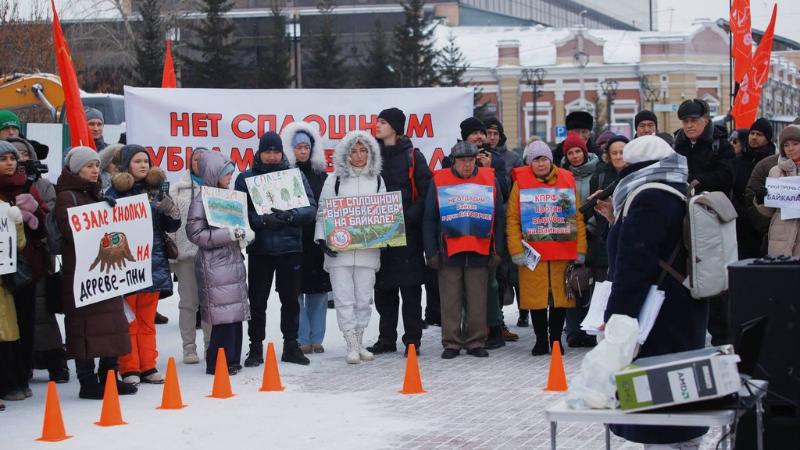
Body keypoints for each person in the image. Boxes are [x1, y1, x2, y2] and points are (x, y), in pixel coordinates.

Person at [604, 135, 709, 448]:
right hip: (683, 307)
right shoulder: (675, 187)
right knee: (682, 396)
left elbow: (635, 263)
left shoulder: (648, 195)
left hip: (656, 314)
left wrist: (617, 316)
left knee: (657, 405)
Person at [55, 146, 137, 399]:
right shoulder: (67, 197)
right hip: (82, 274)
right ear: (76, 169)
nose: (94, 170)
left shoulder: (94, 194)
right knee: (85, 328)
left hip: (105, 274)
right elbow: (71, 232)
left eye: (95, 165)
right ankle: (88, 382)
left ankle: (110, 375)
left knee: (113, 323)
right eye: (88, 166)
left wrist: (107, 209)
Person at [235, 131, 316, 367]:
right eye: (267, 151)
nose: (271, 156)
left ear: (282, 152)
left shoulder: (295, 175)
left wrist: (291, 216)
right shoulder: (245, 178)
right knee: (257, 302)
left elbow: (311, 208)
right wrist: (261, 221)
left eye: (275, 151)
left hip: (290, 249)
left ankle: (291, 346)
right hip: (260, 250)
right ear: (259, 152)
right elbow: (238, 212)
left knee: (290, 301)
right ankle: (255, 348)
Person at [106, 144, 181, 385]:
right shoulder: (115, 193)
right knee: (129, 321)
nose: (143, 165)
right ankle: (129, 367)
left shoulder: (157, 192)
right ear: (127, 164)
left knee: (147, 321)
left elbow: (172, 226)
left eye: (146, 161)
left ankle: (148, 365)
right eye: (137, 161)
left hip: (154, 265)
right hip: (126, 267)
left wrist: (169, 208)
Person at [423, 141, 505, 359]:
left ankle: (475, 341)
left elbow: (499, 218)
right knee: (450, 300)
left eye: (471, 160)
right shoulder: (440, 180)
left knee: (478, 300)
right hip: (448, 250)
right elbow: (429, 218)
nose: (467, 165)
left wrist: (497, 250)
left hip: (479, 250)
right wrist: (430, 251)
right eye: (463, 160)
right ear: (454, 161)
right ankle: (451, 342)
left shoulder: (489, 179)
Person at [506, 141, 587, 356]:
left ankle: (556, 340)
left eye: (544, 159)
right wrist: (516, 250)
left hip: (562, 250)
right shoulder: (520, 183)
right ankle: (541, 340)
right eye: (536, 160)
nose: (540, 164)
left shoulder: (566, 179)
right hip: (533, 253)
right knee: (537, 299)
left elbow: (577, 217)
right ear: (529, 163)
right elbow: (513, 219)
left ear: (550, 160)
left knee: (560, 298)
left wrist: (580, 249)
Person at [314, 131, 384, 364]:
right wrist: (322, 239)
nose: (358, 155)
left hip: (367, 251)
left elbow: (385, 214)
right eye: (353, 150)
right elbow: (323, 211)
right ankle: (351, 344)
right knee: (344, 299)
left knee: (364, 299)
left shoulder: (378, 180)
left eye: (364, 150)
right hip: (340, 251)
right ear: (345, 153)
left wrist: (384, 238)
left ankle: (360, 339)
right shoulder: (333, 179)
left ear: (371, 153)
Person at [369, 108, 432, 356]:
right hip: (380, 233)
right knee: (383, 291)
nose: (377, 126)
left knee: (411, 290)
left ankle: (412, 340)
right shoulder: (372, 156)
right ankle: (386, 339)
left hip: (408, 234)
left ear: (395, 127)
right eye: (377, 121)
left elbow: (426, 191)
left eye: (382, 122)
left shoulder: (413, 156)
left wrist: (410, 216)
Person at [5, 136, 68, 382]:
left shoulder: (40, 186)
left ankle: (54, 361)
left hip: (35, 261)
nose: (16, 160)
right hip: (7, 261)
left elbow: (51, 223)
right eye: (10, 156)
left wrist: (35, 214)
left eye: (20, 154)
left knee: (40, 313)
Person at [187, 151, 253, 375]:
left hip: (232, 261)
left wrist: (244, 233)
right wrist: (229, 234)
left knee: (235, 316)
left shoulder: (229, 196)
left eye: (231, 174)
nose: (230, 178)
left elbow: (237, 223)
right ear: (214, 174)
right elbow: (195, 233)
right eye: (226, 174)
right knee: (222, 317)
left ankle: (233, 359)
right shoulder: (201, 199)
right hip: (213, 265)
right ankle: (217, 362)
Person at [452, 117, 515, 347]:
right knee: (463, 285)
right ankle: (469, 329)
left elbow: (505, 192)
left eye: (481, 132)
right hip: (459, 228)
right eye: (474, 133)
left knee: (493, 282)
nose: (479, 136)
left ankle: (495, 327)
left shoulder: (494, 159)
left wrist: (489, 171)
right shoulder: (452, 158)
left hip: (487, 230)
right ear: (464, 137)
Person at [0, 140, 47, 402]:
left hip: (25, 270)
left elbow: (43, 227)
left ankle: (21, 376)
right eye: (4, 158)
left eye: (12, 158)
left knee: (23, 325)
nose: (10, 162)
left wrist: (33, 215)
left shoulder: (27, 186)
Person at [282, 121, 331, 354]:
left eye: (306, 146)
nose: (303, 151)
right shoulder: (283, 174)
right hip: (293, 240)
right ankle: (302, 338)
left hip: (317, 241)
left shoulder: (323, 175)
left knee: (319, 292)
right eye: (298, 147)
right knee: (296, 292)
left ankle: (317, 337)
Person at [170, 148, 212, 364]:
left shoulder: (219, 187)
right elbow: (171, 224)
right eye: (196, 159)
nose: (200, 162)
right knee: (188, 303)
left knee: (210, 303)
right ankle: (189, 347)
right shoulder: (178, 189)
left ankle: (210, 345)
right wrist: (172, 256)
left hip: (213, 254)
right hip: (186, 255)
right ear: (190, 162)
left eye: (204, 159)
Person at [559, 132, 599, 348]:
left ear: (584, 151)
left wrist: (591, 225)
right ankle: (573, 330)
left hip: (593, 232)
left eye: (577, 151)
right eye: (570, 153)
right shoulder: (563, 175)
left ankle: (591, 329)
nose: (575, 156)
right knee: (572, 282)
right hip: (570, 234)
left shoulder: (597, 171)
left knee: (592, 282)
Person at [754, 125, 800, 258]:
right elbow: (769, 211)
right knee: (781, 276)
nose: (790, 148)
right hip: (780, 235)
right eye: (786, 145)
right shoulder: (775, 171)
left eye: (795, 144)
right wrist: (761, 199)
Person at [734, 119, 776, 259]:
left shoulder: (773, 163)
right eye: (752, 133)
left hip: (762, 225)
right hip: (740, 223)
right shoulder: (739, 161)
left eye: (759, 134)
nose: (754, 137)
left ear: (767, 139)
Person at [673, 98, 735, 195]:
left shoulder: (721, 145)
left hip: (711, 204)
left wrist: (690, 179)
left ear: (706, 120)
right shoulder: (676, 145)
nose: (689, 125)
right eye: (685, 121)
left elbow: (725, 179)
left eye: (694, 120)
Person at [0, 201, 25, 409]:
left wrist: (16, 223)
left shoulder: (2, 208)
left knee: (6, 339)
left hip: (2, 288)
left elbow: (18, 245)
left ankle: (6, 385)